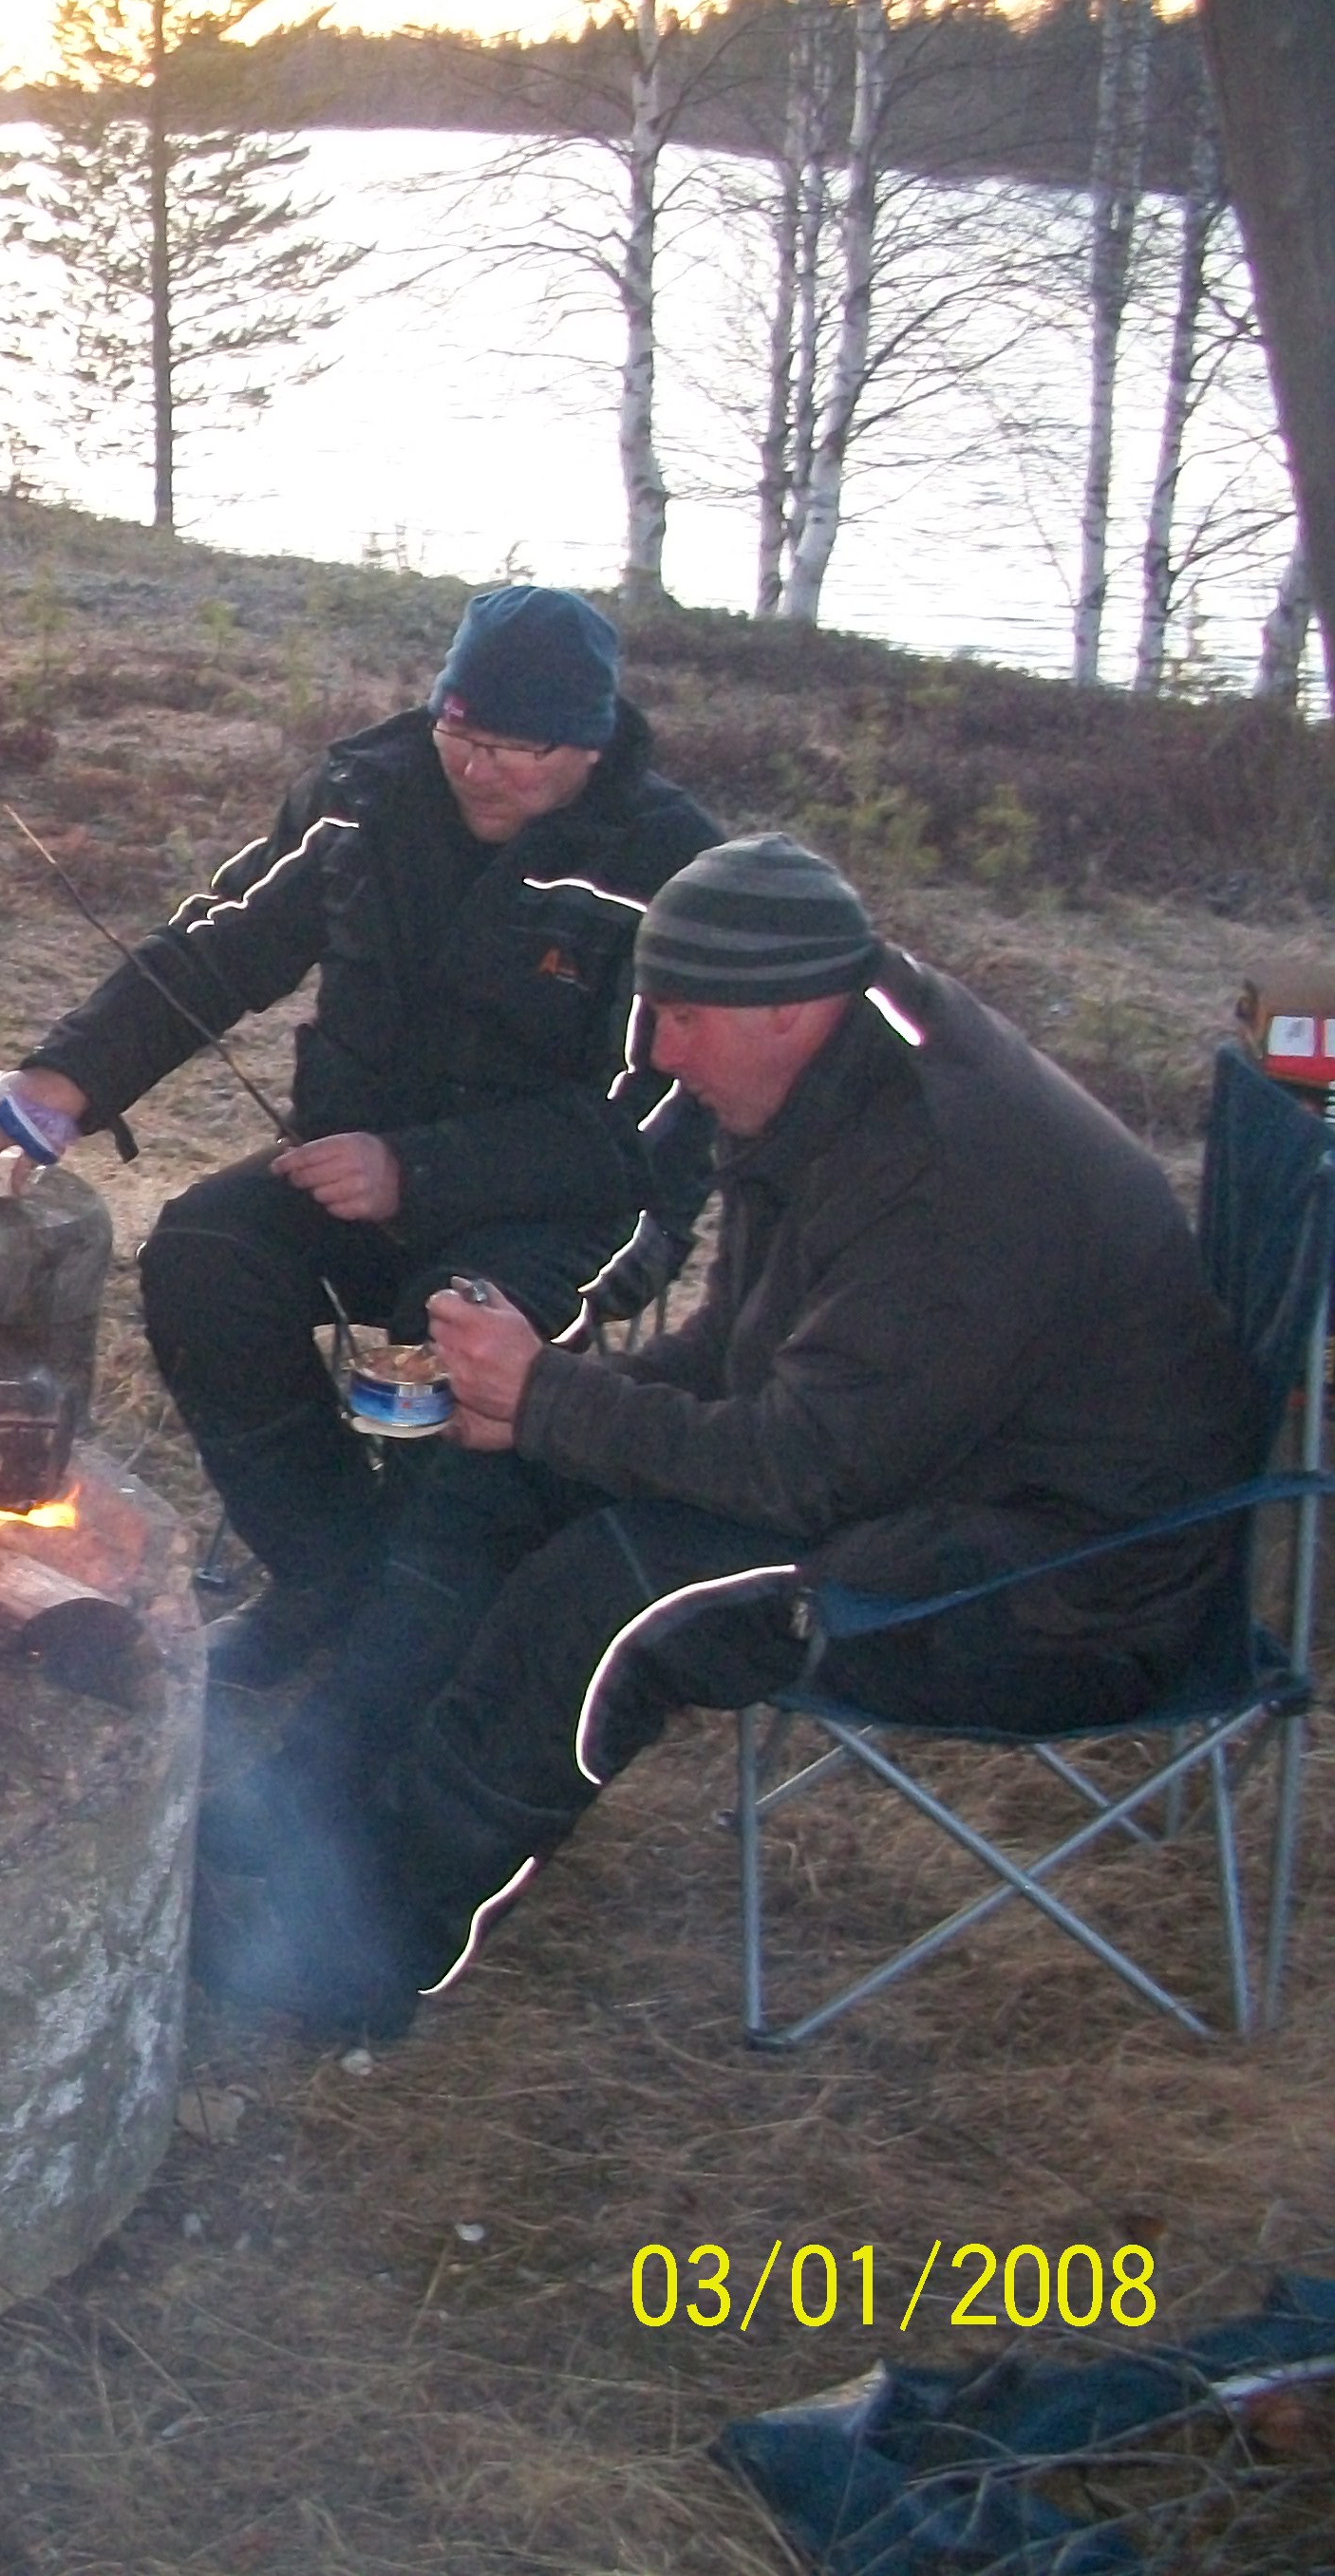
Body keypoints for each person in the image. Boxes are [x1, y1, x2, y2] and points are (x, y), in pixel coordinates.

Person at [191, 836, 1264, 2040]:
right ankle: (310, 1815)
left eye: (682, 1019)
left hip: (1050, 1582)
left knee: (614, 1591)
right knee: (487, 1485)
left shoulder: (943, 1174)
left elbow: (801, 1473)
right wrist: (535, 1409)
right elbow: (737, 1355)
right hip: (924, 1471)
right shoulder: (822, 1075)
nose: (655, 1052)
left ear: (788, 1009)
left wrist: (551, 1397)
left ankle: (362, 1950)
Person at [0, 584, 724, 1690]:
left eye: (515, 748)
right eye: (458, 732)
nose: (476, 769)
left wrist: (415, 1172)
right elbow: (220, 948)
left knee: (451, 1331)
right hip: (359, 1167)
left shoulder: (667, 870)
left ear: (588, 743)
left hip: (579, 1209)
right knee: (203, 1255)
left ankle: (418, 1644)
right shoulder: (363, 799)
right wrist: (65, 1080)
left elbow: (651, 1122)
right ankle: (330, 1577)